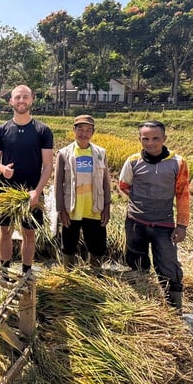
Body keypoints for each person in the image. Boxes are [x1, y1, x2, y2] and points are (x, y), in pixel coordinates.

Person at [118, 120, 190, 311]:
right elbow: (124, 185)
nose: (150, 143)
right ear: (139, 139)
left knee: (168, 266)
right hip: (135, 223)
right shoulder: (133, 161)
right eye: (145, 139)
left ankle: (174, 309)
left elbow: (182, 195)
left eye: (156, 138)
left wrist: (182, 225)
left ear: (164, 138)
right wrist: (141, 201)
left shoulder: (178, 163)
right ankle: (143, 305)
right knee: (136, 262)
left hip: (164, 225)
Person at [0, 85, 54, 274]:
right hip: (6, 190)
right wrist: (3, 169)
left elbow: (48, 165)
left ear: (32, 100)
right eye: (17, 97)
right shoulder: (2, 130)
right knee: (5, 231)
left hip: (31, 190)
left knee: (29, 233)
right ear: (11, 101)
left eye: (25, 97)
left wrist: (37, 191)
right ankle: (5, 272)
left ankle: (26, 273)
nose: (21, 101)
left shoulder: (43, 131)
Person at [54, 115, 111, 270]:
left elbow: (106, 182)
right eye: (80, 129)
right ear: (74, 130)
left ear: (93, 132)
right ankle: (68, 274)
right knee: (69, 244)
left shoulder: (100, 153)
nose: (84, 133)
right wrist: (60, 209)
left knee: (97, 244)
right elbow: (58, 183)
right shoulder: (64, 153)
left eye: (88, 130)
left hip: (95, 207)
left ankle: (95, 273)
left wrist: (107, 206)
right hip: (72, 208)